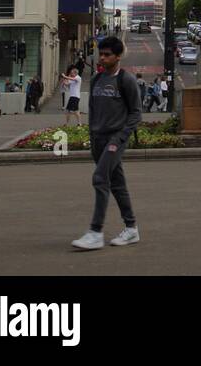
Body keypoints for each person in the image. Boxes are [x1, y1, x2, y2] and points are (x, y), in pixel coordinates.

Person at [72, 36, 142, 251]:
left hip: (114, 139)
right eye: (100, 54)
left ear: (118, 56)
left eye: (107, 55)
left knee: (100, 178)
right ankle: (131, 229)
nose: (102, 58)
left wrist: (120, 138)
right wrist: (92, 133)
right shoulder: (96, 79)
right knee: (117, 184)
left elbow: (136, 114)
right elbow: (93, 109)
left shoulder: (126, 80)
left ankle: (95, 232)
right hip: (97, 138)